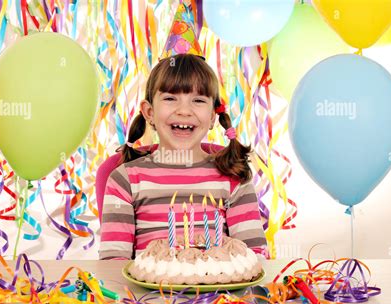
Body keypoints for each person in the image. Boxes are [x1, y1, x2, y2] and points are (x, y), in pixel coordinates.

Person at [99, 54, 267, 260]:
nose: (184, 111)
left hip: (222, 291)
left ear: (213, 116)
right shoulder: (125, 179)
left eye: (198, 100)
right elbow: (113, 263)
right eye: (170, 98)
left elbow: (255, 257)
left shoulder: (233, 176)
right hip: (150, 292)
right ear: (149, 112)